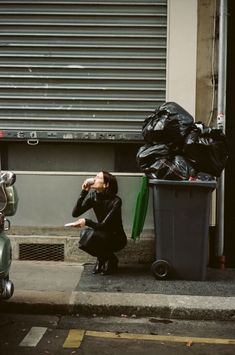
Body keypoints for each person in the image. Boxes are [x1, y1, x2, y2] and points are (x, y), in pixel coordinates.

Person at [71, 171, 127, 275]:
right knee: (84, 235)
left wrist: (86, 221)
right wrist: (84, 192)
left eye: (97, 177)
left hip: (116, 237)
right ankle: (101, 259)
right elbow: (75, 213)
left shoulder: (116, 201)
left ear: (106, 184)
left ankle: (111, 259)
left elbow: (104, 225)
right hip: (102, 233)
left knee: (91, 236)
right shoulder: (93, 196)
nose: (93, 179)